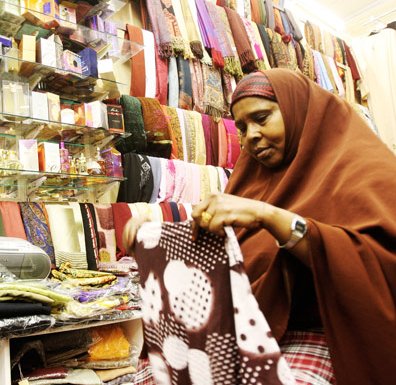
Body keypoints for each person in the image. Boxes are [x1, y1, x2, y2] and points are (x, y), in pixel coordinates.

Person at [124, 69, 396, 384]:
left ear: (298, 111)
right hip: (246, 331)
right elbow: (223, 253)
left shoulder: (366, 169)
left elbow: (382, 264)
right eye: (241, 127)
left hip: (331, 337)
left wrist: (272, 218)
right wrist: (158, 239)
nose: (250, 135)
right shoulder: (253, 178)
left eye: (262, 118)